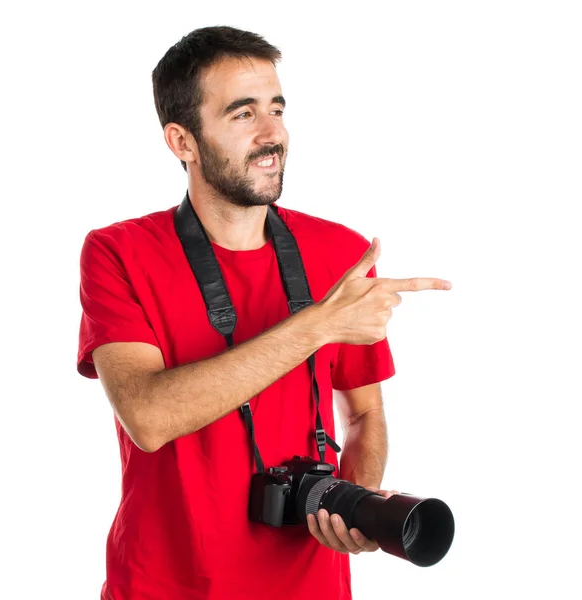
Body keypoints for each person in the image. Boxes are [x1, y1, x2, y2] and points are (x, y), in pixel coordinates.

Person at [77, 25, 452, 600]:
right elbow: (147, 416)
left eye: (277, 108)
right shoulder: (116, 252)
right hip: (164, 587)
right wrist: (318, 323)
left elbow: (363, 416)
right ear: (182, 141)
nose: (273, 133)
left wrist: (357, 503)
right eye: (242, 114)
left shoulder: (341, 255)